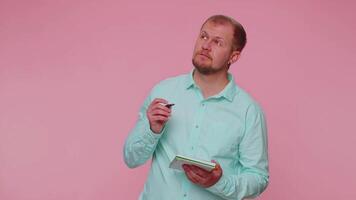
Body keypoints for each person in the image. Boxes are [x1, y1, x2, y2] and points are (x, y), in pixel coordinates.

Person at [124, 15, 269, 200]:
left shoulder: (249, 110)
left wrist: (218, 183)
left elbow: (258, 177)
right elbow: (131, 158)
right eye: (204, 36)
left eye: (217, 42)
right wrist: (151, 130)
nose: (206, 46)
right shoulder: (164, 91)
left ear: (234, 56)